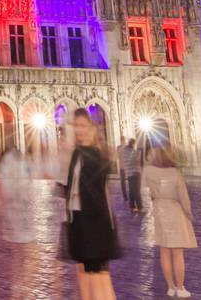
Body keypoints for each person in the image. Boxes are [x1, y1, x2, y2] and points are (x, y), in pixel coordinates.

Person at [61, 108, 118, 300]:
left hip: (95, 224)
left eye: (83, 125)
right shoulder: (78, 153)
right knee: (84, 274)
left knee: (99, 278)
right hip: (79, 221)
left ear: (92, 128)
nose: (79, 130)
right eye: (76, 125)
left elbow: (100, 193)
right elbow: (70, 187)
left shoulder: (94, 154)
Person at [143, 146, 196, 299]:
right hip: (174, 210)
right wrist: (188, 212)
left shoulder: (149, 172)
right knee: (177, 252)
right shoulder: (174, 173)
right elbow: (183, 197)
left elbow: (144, 191)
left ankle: (170, 287)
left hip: (159, 210)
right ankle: (180, 287)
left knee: (164, 250)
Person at [119, 140, 141, 213]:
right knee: (137, 190)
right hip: (135, 172)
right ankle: (139, 207)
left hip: (129, 173)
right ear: (133, 144)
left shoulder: (124, 152)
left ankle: (132, 207)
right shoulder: (133, 152)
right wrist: (138, 152)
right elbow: (136, 160)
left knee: (131, 190)